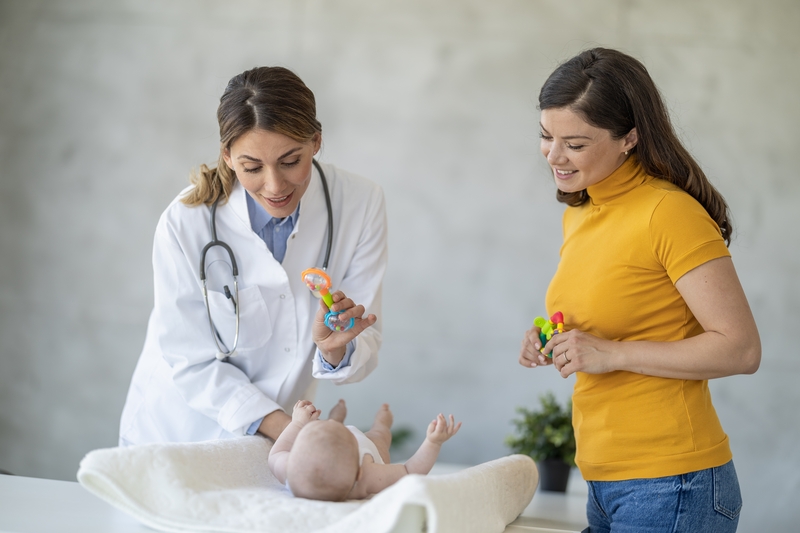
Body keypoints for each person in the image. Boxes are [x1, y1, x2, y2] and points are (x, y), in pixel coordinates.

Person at [518, 48, 760, 533]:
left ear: (630, 137)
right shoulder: (581, 214)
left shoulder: (668, 213)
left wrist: (611, 353)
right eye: (547, 136)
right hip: (606, 480)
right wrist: (552, 336)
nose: (554, 156)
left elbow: (741, 349)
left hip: (673, 482)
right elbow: (621, 316)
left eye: (576, 143)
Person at [119, 66, 388, 445]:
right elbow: (190, 359)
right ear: (228, 156)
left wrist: (335, 350)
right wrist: (294, 434)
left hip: (276, 441)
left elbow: (367, 339)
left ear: (316, 141)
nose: (275, 186)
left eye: (291, 161)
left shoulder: (361, 203)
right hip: (177, 432)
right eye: (252, 167)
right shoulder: (186, 221)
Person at [268, 400, 461, 501]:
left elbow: (276, 453)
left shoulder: (289, 471)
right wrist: (433, 443)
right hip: (367, 447)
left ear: (293, 460)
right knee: (380, 435)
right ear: (358, 473)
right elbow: (410, 471)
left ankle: (336, 418)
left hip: (333, 441)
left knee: (325, 434)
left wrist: (298, 423)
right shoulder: (369, 475)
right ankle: (382, 421)